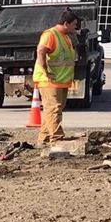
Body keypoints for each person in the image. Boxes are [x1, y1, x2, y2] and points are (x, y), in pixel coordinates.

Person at [32, 8, 80, 146]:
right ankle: (57, 139)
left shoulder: (65, 36)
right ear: (66, 23)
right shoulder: (50, 34)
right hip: (49, 80)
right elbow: (41, 51)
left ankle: (44, 138)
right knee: (54, 108)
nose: (75, 27)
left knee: (53, 109)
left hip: (60, 80)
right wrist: (44, 69)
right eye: (74, 24)